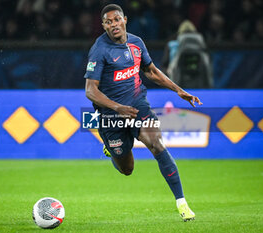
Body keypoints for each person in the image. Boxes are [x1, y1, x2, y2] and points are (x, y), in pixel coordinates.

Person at [84, 4, 202, 221]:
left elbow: (151, 71)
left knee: (157, 144)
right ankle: (111, 148)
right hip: (112, 115)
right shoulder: (99, 50)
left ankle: (182, 204)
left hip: (138, 106)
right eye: (108, 22)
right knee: (127, 169)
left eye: (116, 19)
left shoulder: (136, 43)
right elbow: (90, 90)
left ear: (125, 20)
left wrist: (179, 91)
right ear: (103, 26)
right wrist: (118, 108)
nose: (113, 24)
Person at [162, 20, 213, 88]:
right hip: (200, 85)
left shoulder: (172, 45)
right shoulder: (203, 46)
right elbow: (208, 67)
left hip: (178, 85)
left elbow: (164, 66)